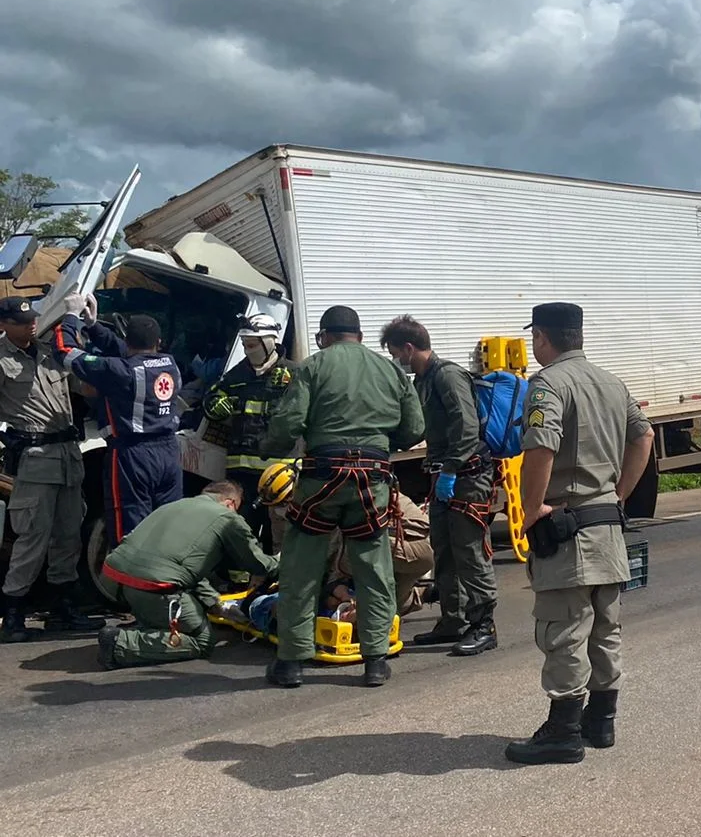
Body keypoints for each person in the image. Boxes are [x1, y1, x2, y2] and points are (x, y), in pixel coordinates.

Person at [504, 302, 655, 766]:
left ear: (544, 338)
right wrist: (619, 494)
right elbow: (644, 436)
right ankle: (601, 722)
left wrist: (531, 510)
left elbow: (540, 446)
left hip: (566, 528)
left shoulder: (548, 383)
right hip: (607, 526)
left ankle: (563, 732)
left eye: (536, 338)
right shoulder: (613, 382)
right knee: (605, 627)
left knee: (564, 628)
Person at [258, 305, 424, 689]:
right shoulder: (390, 370)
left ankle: (291, 663)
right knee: (373, 565)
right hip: (372, 480)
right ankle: (375, 661)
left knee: (302, 563)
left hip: (323, 478)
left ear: (325, 337)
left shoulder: (312, 367)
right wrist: (381, 444)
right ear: (360, 337)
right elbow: (414, 427)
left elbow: (289, 423)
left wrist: (270, 445)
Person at [380, 315, 499, 656]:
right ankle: (453, 620)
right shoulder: (423, 380)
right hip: (446, 476)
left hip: (468, 476)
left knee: (470, 550)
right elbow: (419, 426)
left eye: (395, 353)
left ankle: (483, 624)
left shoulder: (447, 375)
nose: (395, 361)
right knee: (444, 550)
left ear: (408, 348)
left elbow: (466, 426)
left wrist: (450, 469)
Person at [96, 479, 278, 669]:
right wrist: (285, 560)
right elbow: (259, 564)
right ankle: (119, 644)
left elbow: (182, 568)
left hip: (111, 579)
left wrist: (214, 603)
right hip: (151, 587)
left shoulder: (174, 506)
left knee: (170, 595)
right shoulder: (227, 517)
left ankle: (150, 623)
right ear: (230, 503)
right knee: (202, 640)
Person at [0, 296, 98, 641]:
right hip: (35, 457)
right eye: (20, 320)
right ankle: (13, 612)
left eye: (31, 318)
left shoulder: (49, 351)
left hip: (68, 454)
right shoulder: (0, 360)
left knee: (69, 535)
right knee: (33, 537)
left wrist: (86, 338)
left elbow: (85, 387)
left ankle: (63, 608)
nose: (29, 323)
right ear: (3, 325)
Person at [53, 293, 184, 542]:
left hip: (133, 455)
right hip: (168, 453)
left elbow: (64, 351)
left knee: (130, 529)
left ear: (127, 339)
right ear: (159, 341)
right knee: (167, 525)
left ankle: (131, 578)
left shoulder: (120, 370)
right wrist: (93, 326)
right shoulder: (170, 364)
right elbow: (129, 351)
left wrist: (71, 316)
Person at [201, 313, 298, 551]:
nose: (247, 351)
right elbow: (212, 397)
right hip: (241, 472)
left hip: (279, 473)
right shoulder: (237, 375)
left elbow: (307, 413)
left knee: (279, 532)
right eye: (244, 345)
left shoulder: (295, 374)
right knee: (241, 530)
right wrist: (213, 404)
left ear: (270, 342)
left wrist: (291, 390)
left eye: (252, 345)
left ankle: (274, 582)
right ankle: (240, 580)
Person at [325, 490, 436, 619]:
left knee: (375, 610)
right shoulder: (371, 483)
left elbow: (339, 552)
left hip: (412, 545)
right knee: (392, 605)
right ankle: (427, 594)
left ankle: (369, 612)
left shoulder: (344, 498)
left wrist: (353, 599)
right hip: (421, 545)